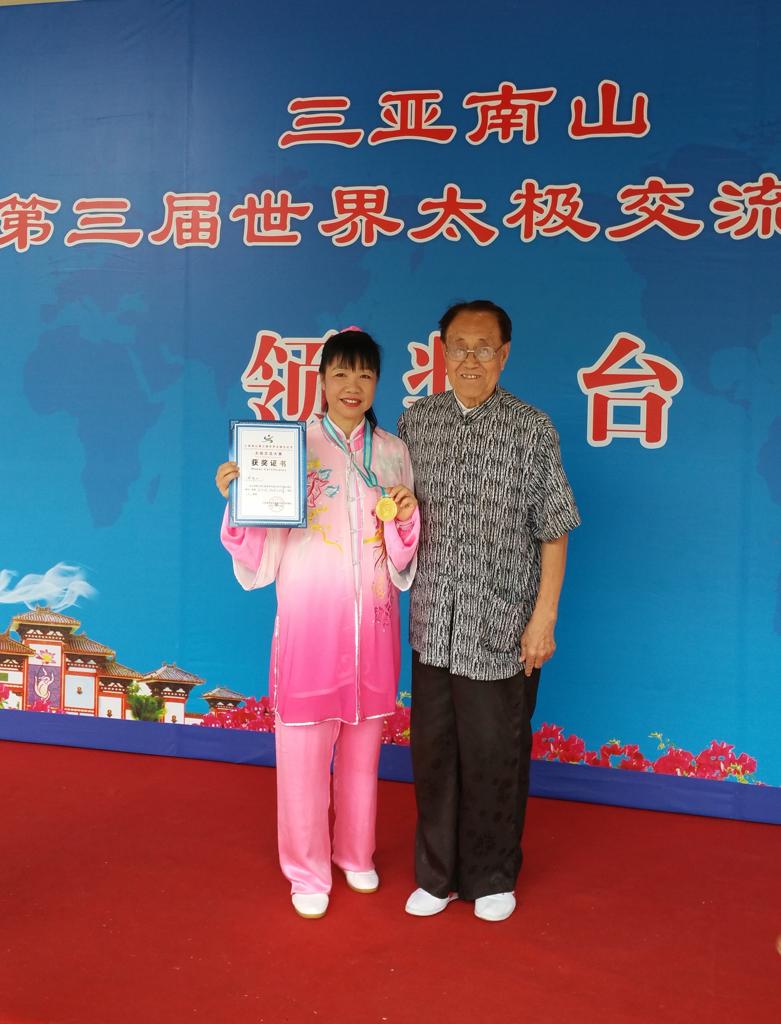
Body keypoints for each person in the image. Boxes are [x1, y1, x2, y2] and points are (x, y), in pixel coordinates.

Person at [215, 329, 419, 920]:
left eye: (365, 375)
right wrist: (239, 497)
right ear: (322, 380)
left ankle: (355, 852)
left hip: (372, 625)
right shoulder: (290, 446)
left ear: (377, 383)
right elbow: (258, 545)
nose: (353, 386)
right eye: (341, 374)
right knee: (303, 750)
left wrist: (407, 517)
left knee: (363, 749)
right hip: (310, 622)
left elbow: (403, 548)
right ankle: (306, 869)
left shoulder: (393, 452)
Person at [397, 300, 580, 922]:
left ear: (504, 355)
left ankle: (493, 875)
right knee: (434, 754)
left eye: (484, 348)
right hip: (433, 626)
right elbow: (391, 508)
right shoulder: (417, 423)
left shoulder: (531, 428)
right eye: (459, 346)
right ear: (442, 352)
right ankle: (437, 876)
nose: (470, 359)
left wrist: (543, 618)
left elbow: (554, 530)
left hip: (501, 629)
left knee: (495, 755)